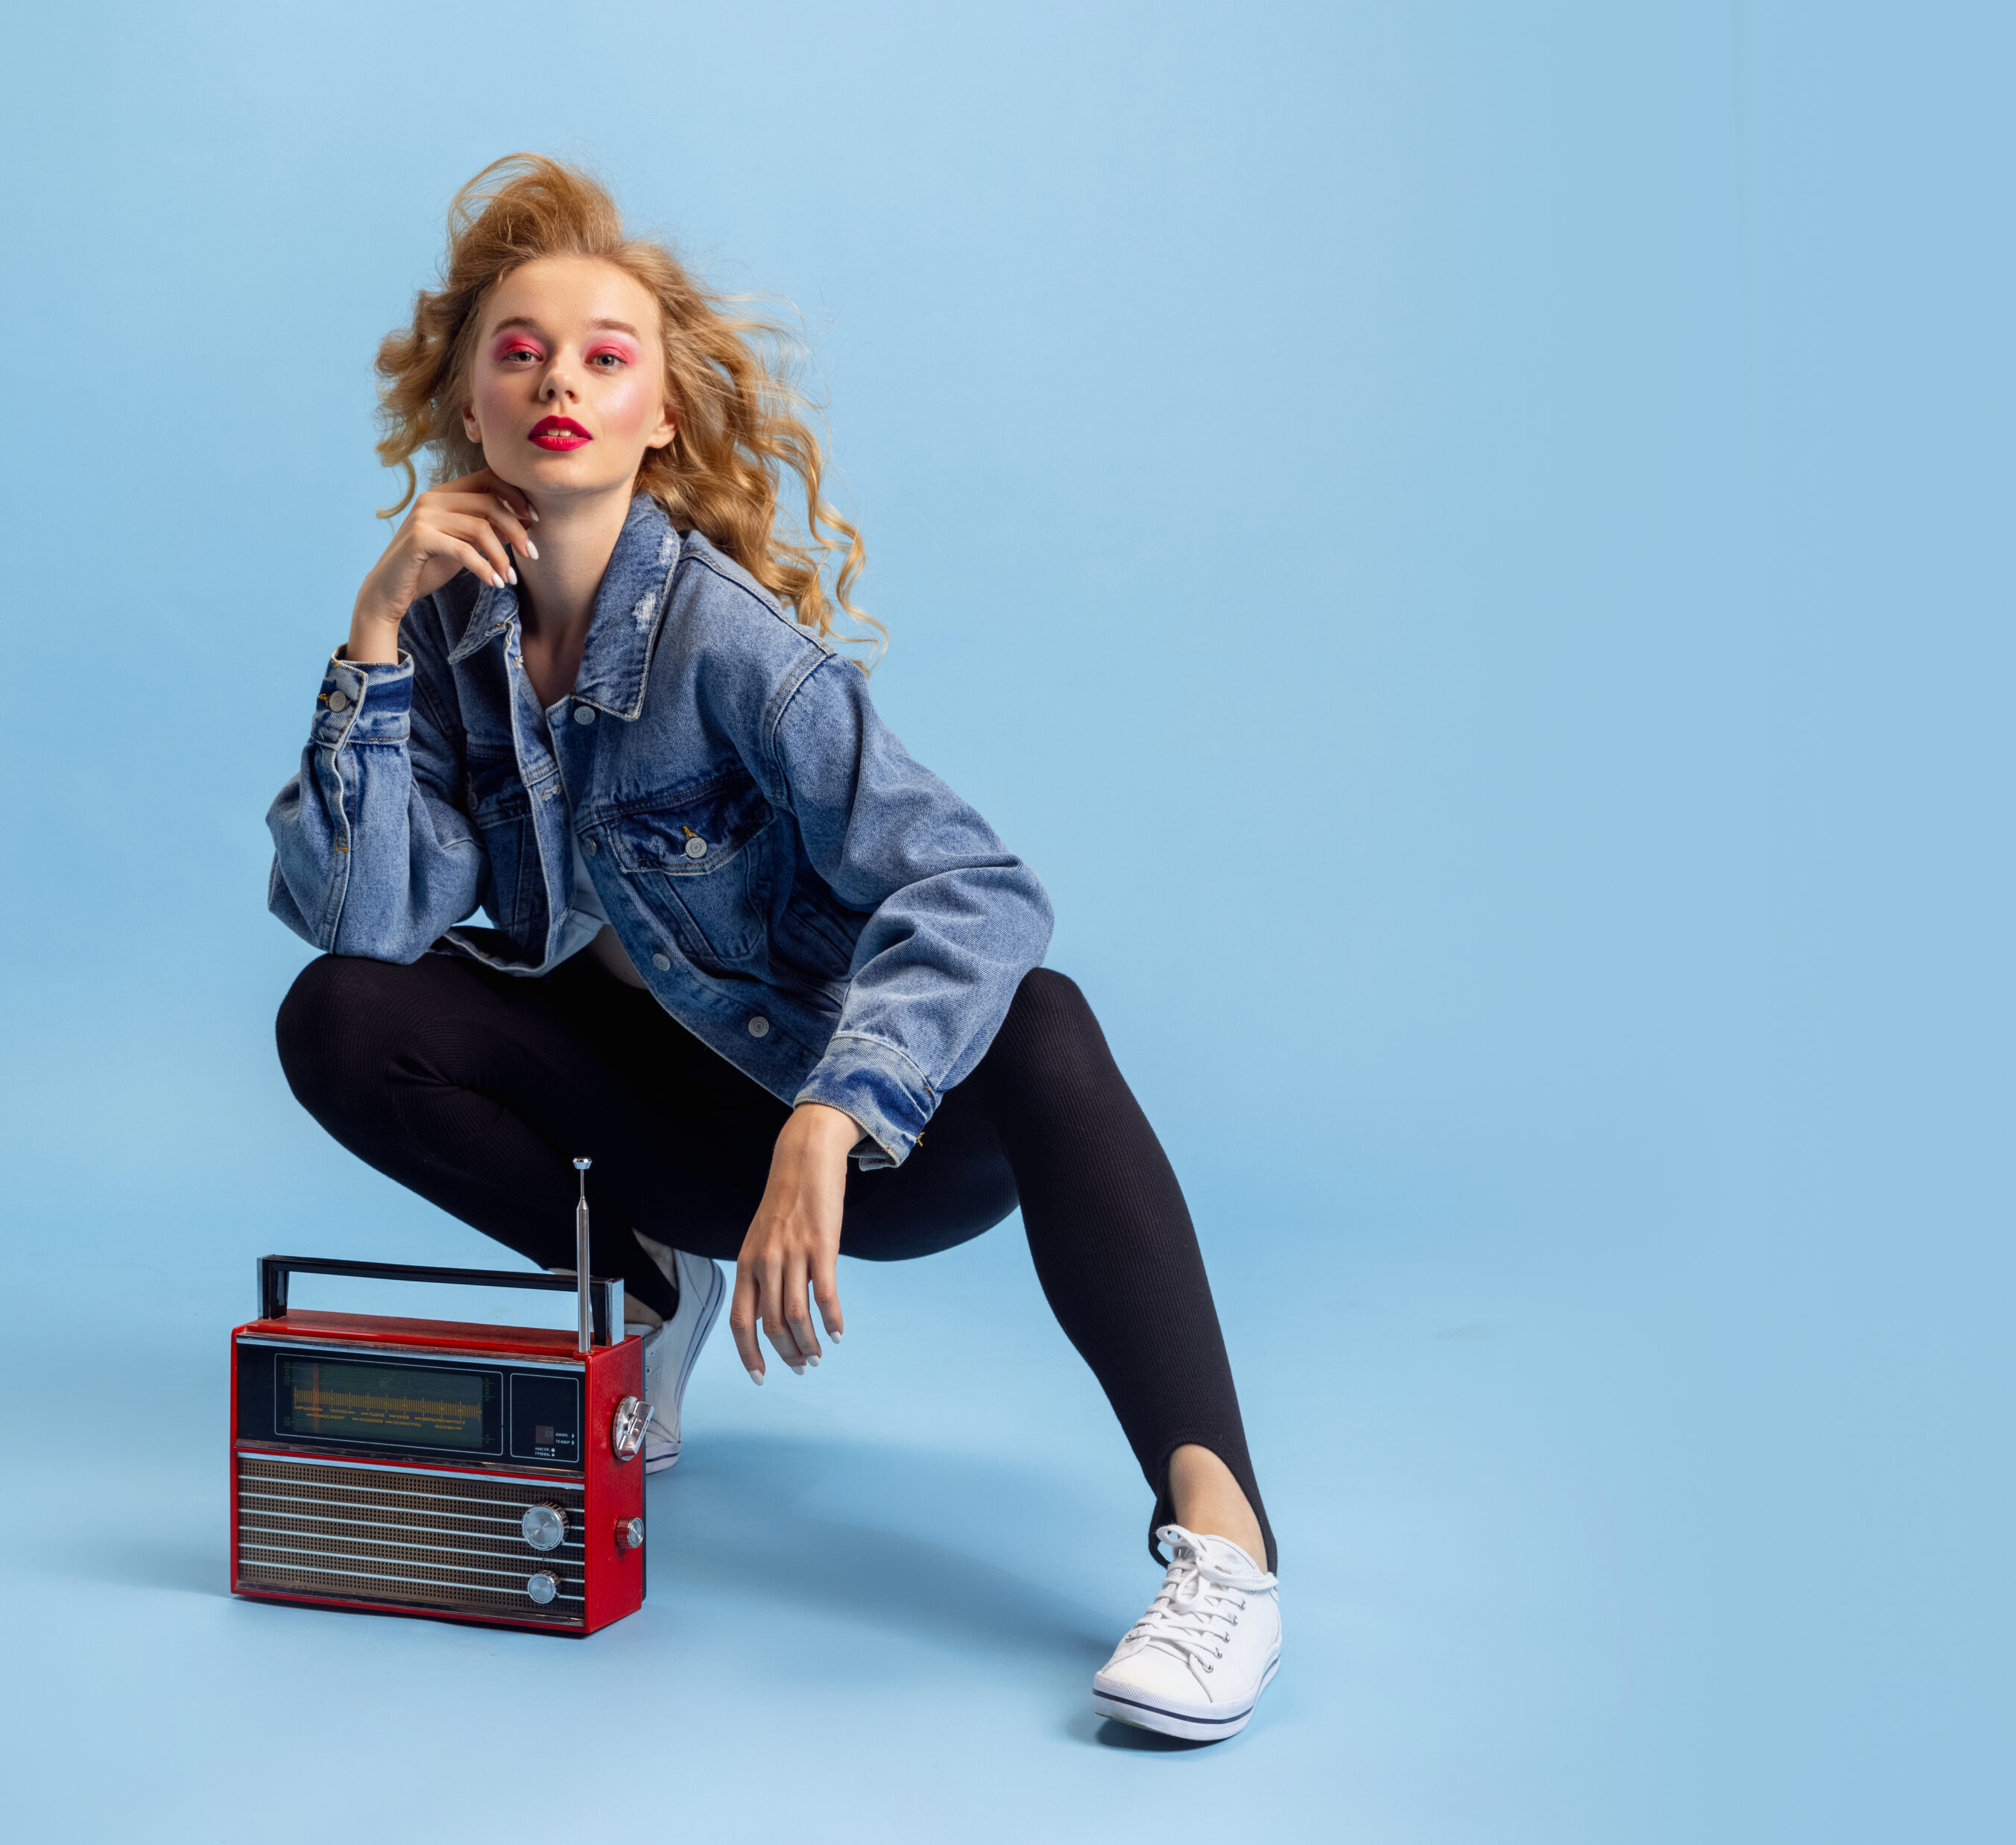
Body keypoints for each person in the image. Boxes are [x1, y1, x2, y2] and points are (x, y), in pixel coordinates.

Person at [266, 155, 1281, 1740]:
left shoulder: (731, 645)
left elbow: (983, 888)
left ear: (659, 417)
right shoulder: (455, 648)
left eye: (608, 356)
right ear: (468, 406)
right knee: (336, 1014)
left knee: (1046, 1017)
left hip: (847, 1153)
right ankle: (649, 1298)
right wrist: (374, 637)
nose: (559, 381)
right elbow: (366, 921)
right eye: (519, 351)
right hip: (655, 1137)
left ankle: (1223, 1543)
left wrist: (832, 1113)